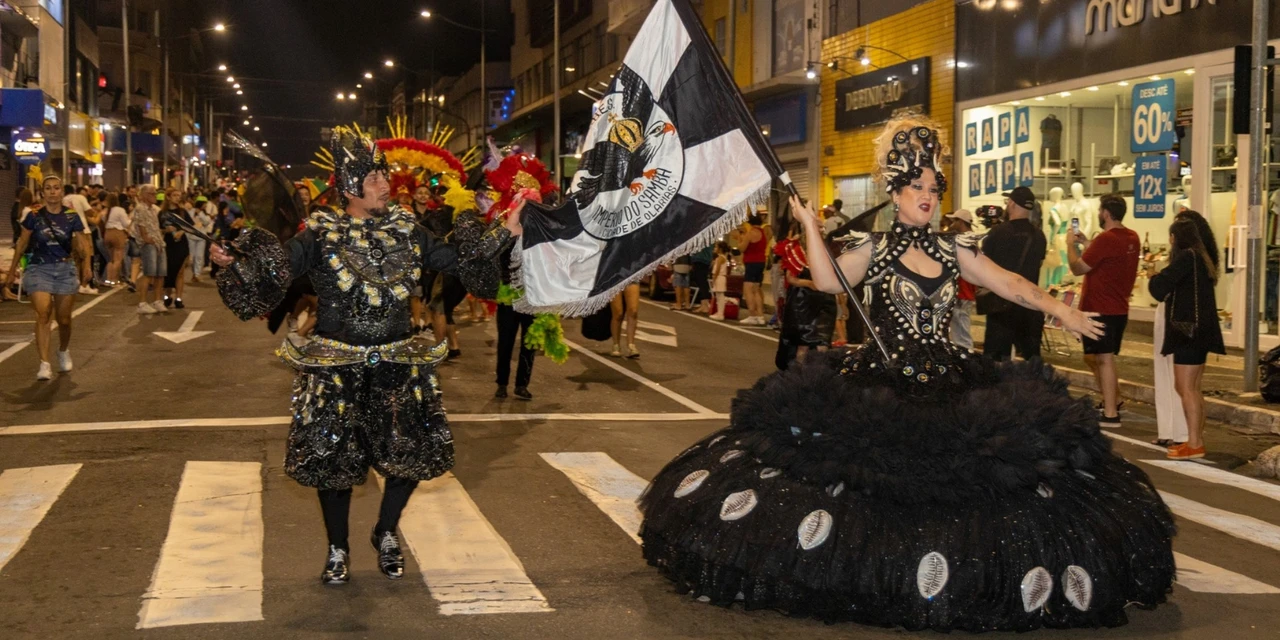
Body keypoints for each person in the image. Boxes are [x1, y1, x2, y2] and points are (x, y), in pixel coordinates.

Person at [636, 117, 1173, 631]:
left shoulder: (954, 248)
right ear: (894, 193)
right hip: (880, 384)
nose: (928, 196)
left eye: (934, 188)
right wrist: (807, 226)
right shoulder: (872, 246)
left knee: (974, 483)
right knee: (870, 487)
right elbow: (827, 282)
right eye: (917, 187)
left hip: (948, 382)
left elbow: (1011, 284)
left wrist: (1062, 312)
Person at [209, 127, 519, 585]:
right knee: (332, 462)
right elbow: (277, 269)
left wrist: (504, 230)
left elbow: (458, 261)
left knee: (411, 453)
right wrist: (234, 262)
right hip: (336, 365)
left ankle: (386, 530)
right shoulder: (320, 235)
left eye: (383, 175)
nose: (384, 184)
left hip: (398, 360)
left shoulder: (408, 231)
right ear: (350, 188)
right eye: (373, 178)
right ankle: (338, 547)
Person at [1149, 211, 1225, 460]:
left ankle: (1194, 443)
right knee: (1193, 388)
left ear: (1174, 238)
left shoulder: (1186, 258)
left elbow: (1159, 288)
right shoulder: (1202, 257)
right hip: (1201, 330)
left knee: (1184, 387)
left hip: (1187, 331)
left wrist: (1153, 276)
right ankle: (1196, 439)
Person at [2, 175, 90, 380]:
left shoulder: (71, 216)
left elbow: (83, 243)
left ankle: (63, 350)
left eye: (56, 188)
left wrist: (87, 266)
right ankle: (44, 363)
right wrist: (12, 270)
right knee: (43, 313)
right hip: (38, 268)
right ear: (42, 193)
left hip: (65, 269)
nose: (52, 192)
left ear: (62, 191)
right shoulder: (33, 215)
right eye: (48, 188)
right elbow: (22, 243)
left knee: (64, 319)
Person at [1068, 194, 1141, 427]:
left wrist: (1070, 245)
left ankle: (1111, 414)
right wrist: (1087, 243)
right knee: (1093, 357)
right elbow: (1109, 257)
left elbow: (1078, 268)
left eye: (1100, 211)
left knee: (1103, 359)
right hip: (1118, 308)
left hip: (1099, 308)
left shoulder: (1106, 239)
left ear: (1106, 213)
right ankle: (1114, 399)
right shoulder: (1132, 237)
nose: (1099, 214)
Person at [979, 187, 1046, 361]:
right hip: (1029, 304)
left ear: (1012, 204)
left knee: (996, 361)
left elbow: (983, 265)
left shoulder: (997, 232)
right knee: (1031, 361)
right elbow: (1038, 264)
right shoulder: (1039, 236)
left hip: (1002, 305)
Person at [131, 185, 168, 315]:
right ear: (145, 195)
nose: (155, 196)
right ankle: (142, 303)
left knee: (160, 273)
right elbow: (142, 228)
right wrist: (148, 239)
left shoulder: (153, 209)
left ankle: (157, 300)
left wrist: (159, 241)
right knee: (149, 273)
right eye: (152, 194)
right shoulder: (140, 209)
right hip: (149, 244)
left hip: (158, 243)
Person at [943, 209, 977, 350]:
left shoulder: (965, 241)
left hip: (963, 291)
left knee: (961, 331)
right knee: (959, 328)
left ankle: (966, 356)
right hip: (964, 290)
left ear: (961, 222)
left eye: (954, 220)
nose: (951, 224)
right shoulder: (969, 239)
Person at [160, 189, 192, 309]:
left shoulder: (182, 212)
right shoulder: (162, 213)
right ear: (168, 197)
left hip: (181, 244)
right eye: (175, 195)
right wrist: (165, 230)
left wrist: (181, 231)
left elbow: (190, 226)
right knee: (168, 270)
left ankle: (179, 298)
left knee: (180, 272)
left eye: (179, 195)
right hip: (168, 244)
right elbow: (157, 228)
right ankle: (167, 296)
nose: (178, 197)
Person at [737, 207, 769, 325]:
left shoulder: (750, 233)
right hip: (761, 262)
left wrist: (740, 237)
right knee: (756, 289)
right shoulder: (763, 232)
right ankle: (760, 316)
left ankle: (752, 314)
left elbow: (742, 248)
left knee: (748, 289)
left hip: (751, 262)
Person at [103, 192, 131, 287]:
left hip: (107, 233)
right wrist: (131, 219)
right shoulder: (119, 210)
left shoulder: (106, 211)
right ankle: (114, 280)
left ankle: (108, 280)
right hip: (117, 233)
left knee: (110, 259)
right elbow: (126, 223)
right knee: (118, 259)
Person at [610, 282, 642, 358]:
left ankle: (631, 346)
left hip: (631, 277)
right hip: (614, 278)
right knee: (618, 313)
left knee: (633, 312)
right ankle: (616, 345)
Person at [190, 195, 214, 282]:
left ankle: (197, 274)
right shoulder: (191, 211)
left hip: (201, 238)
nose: (206, 205)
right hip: (191, 237)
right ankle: (194, 274)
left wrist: (200, 213)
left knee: (199, 256)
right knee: (192, 257)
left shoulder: (204, 213)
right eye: (204, 204)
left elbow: (207, 222)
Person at [708, 241, 731, 321]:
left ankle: (720, 314)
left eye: (716, 247)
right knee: (719, 296)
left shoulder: (721, 258)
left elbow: (717, 270)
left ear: (720, 249)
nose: (714, 249)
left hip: (719, 277)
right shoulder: (721, 257)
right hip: (720, 277)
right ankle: (719, 312)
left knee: (720, 297)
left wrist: (714, 279)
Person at [689, 244, 714, 314]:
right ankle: (704, 304)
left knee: (702, 282)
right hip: (704, 260)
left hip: (701, 259)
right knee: (702, 282)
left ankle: (705, 306)